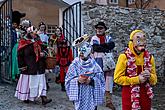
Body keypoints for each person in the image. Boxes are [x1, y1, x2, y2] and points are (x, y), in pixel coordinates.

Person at [114, 30, 157, 110]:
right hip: (129, 96)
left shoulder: (150, 58)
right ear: (132, 42)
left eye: (144, 40)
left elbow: (154, 80)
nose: (142, 43)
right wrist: (137, 79)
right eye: (138, 40)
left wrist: (150, 76)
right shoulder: (124, 57)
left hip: (145, 96)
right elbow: (117, 79)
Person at [65, 34, 105, 110]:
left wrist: (92, 81)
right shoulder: (74, 65)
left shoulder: (95, 66)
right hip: (79, 95)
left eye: (83, 52)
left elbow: (101, 81)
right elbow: (68, 80)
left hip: (91, 96)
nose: (81, 54)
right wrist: (77, 80)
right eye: (80, 52)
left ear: (89, 52)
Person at [15, 25, 52, 105]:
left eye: (35, 32)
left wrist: (43, 53)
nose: (35, 33)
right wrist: (22, 66)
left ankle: (43, 98)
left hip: (39, 65)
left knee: (41, 81)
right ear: (29, 33)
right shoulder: (23, 41)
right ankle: (26, 97)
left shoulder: (38, 40)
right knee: (28, 82)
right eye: (33, 32)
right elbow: (20, 55)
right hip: (29, 66)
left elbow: (44, 48)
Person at [90, 21, 115, 109]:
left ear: (104, 29)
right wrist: (106, 47)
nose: (99, 30)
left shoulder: (108, 37)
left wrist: (102, 46)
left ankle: (109, 101)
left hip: (108, 62)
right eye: (97, 28)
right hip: (97, 61)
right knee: (97, 80)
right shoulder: (94, 38)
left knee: (109, 81)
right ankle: (95, 101)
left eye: (101, 28)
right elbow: (96, 48)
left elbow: (112, 45)